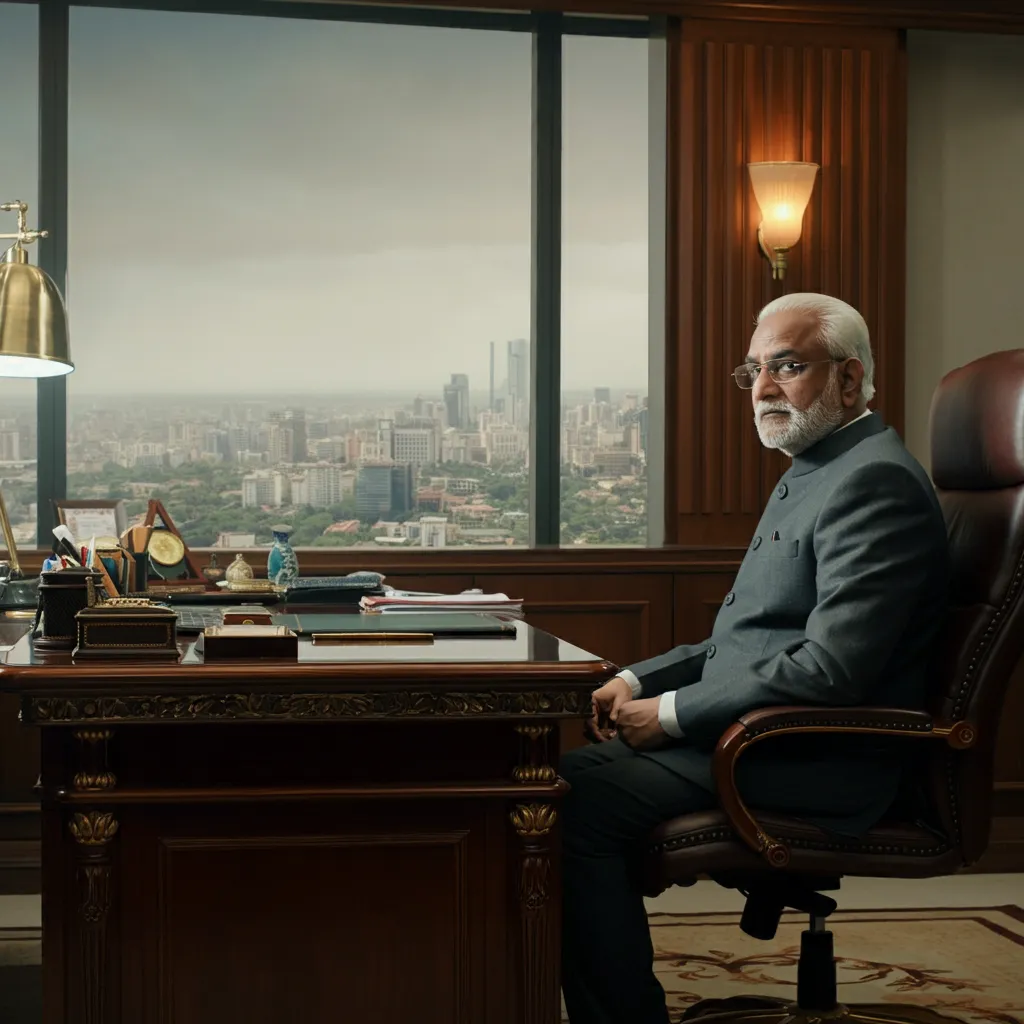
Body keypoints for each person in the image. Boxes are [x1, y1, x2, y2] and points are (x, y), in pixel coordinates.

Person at [559, 293, 950, 1024]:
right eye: (755, 371)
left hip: (819, 757)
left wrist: (671, 715)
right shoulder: (818, 466)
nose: (765, 389)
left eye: (789, 367)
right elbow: (744, 640)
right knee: (561, 779)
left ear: (848, 377)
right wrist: (638, 678)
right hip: (766, 734)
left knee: (572, 800)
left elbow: (832, 669)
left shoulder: (874, 481)